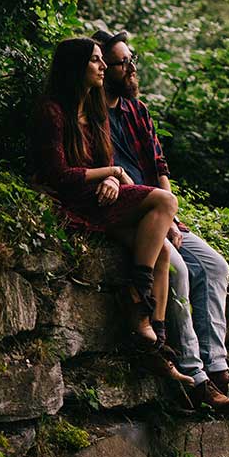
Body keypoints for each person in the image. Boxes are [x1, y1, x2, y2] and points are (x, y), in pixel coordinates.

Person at [92, 28, 229, 412]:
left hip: (161, 209)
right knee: (180, 271)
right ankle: (195, 377)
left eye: (130, 59)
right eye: (122, 62)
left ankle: (219, 370)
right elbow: (87, 166)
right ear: (106, 68)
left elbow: (158, 164)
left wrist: (171, 211)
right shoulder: (90, 114)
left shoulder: (137, 111)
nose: (130, 67)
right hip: (129, 210)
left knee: (215, 266)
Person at [30, 37, 192, 384]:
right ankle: (137, 294)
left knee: (162, 250)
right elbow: (57, 175)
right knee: (165, 201)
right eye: (95, 60)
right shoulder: (53, 111)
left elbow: (105, 160)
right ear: (75, 67)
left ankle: (156, 347)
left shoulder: (96, 110)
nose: (102, 67)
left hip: (103, 201)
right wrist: (114, 174)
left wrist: (114, 182)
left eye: (104, 60)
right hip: (75, 202)